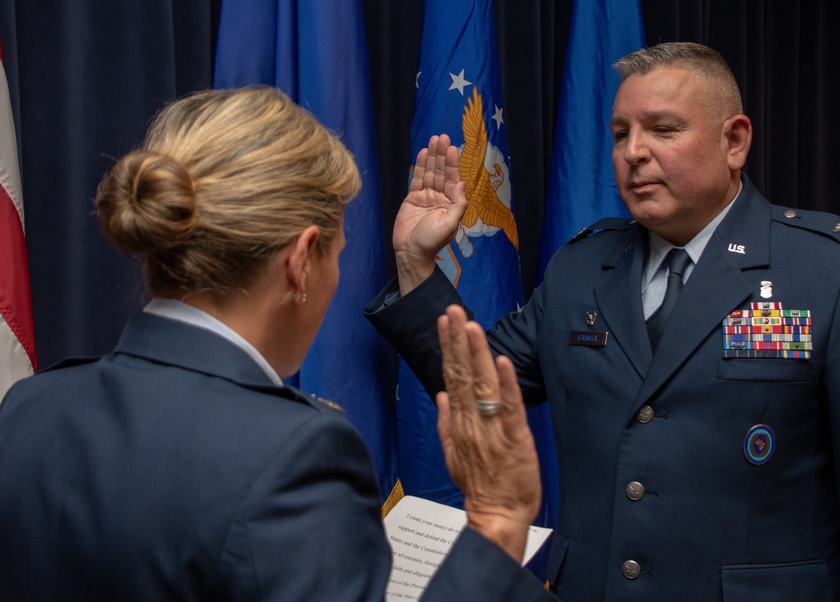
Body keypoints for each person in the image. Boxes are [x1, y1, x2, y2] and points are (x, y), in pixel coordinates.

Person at [365, 42, 840, 600]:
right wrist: (418, 263)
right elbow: (478, 392)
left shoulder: (828, 272)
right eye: (621, 134)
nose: (634, 151)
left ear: (734, 141)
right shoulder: (582, 268)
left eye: (662, 130)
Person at [0, 87, 555, 601]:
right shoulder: (295, 455)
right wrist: (499, 524)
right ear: (300, 261)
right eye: (338, 252)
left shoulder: (28, 408)